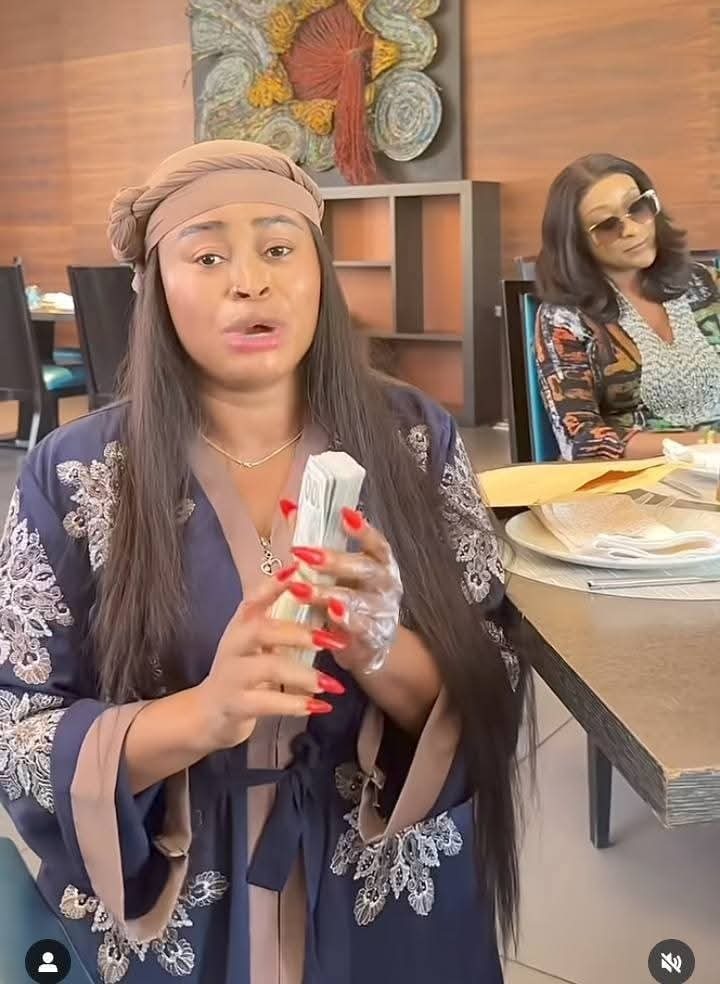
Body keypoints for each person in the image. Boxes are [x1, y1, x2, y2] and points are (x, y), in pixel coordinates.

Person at [0, 141, 530, 983]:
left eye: (279, 248)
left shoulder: (413, 437)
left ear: (319, 272)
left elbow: (493, 669)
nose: (250, 282)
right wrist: (202, 716)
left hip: (381, 895)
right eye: (208, 256)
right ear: (154, 288)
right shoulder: (75, 472)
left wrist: (378, 646)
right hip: (186, 905)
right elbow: (17, 729)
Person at [534, 153, 720, 460]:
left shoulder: (705, 283)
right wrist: (705, 444)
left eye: (637, 208)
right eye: (608, 225)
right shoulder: (564, 317)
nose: (631, 229)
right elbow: (581, 439)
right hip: (635, 477)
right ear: (575, 241)